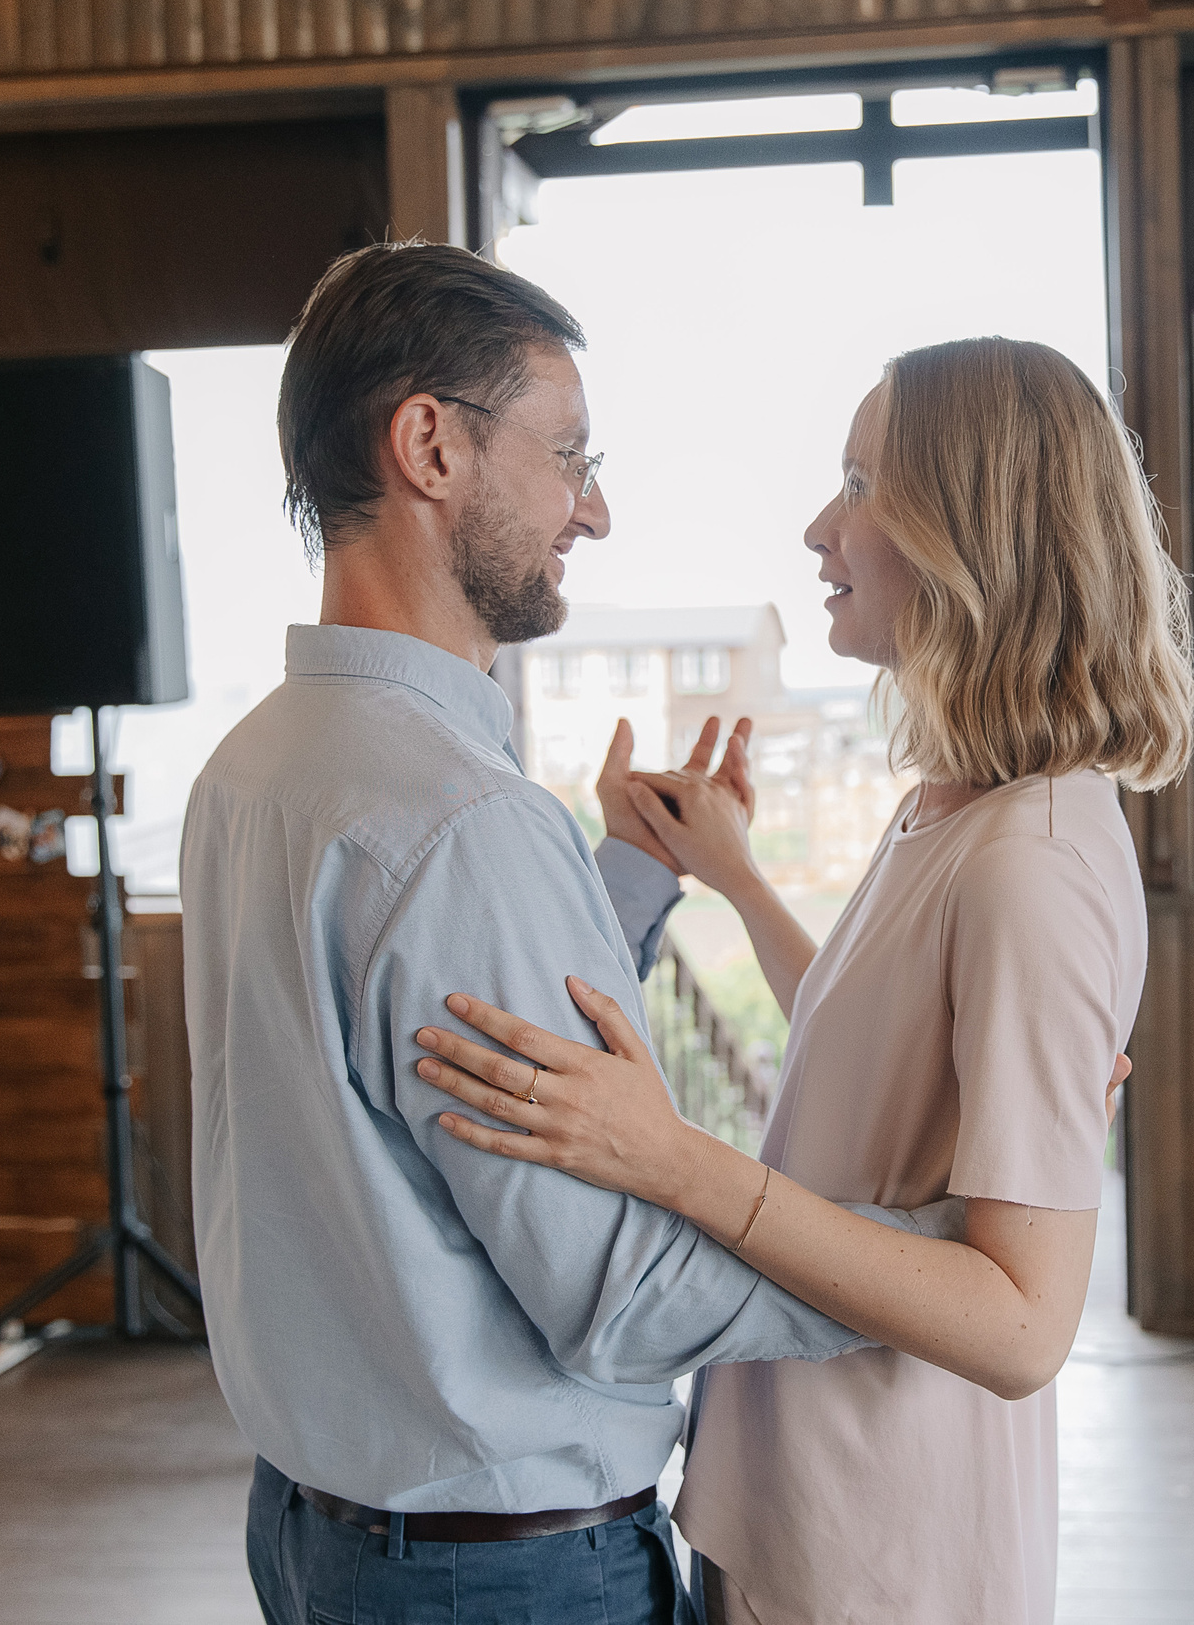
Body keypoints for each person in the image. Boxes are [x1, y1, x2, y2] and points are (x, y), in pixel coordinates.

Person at [182, 242, 964, 1625]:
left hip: (317, 1537)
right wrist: (935, 1260)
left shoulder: (259, 769)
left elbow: (418, 1056)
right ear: (428, 444)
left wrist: (627, 877)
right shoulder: (458, 821)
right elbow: (622, 1294)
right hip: (504, 1575)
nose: (591, 509)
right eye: (569, 454)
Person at [408, 336, 1194, 1625]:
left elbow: (1019, 1326)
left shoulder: (1033, 861)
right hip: (795, 1497)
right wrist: (733, 876)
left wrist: (671, 1161)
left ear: (970, 530)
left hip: (885, 1541)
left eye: (862, 481)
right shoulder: (954, 810)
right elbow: (875, 1050)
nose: (823, 525)